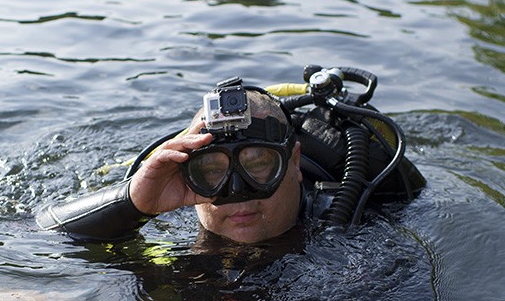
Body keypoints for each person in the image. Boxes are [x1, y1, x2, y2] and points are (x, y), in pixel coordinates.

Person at [36, 69, 426, 245]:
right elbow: (41, 235)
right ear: (185, 173)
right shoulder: (161, 212)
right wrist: (135, 203)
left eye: (259, 165)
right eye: (211, 171)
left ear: (292, 162)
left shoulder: (353, 228)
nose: (238, 192)